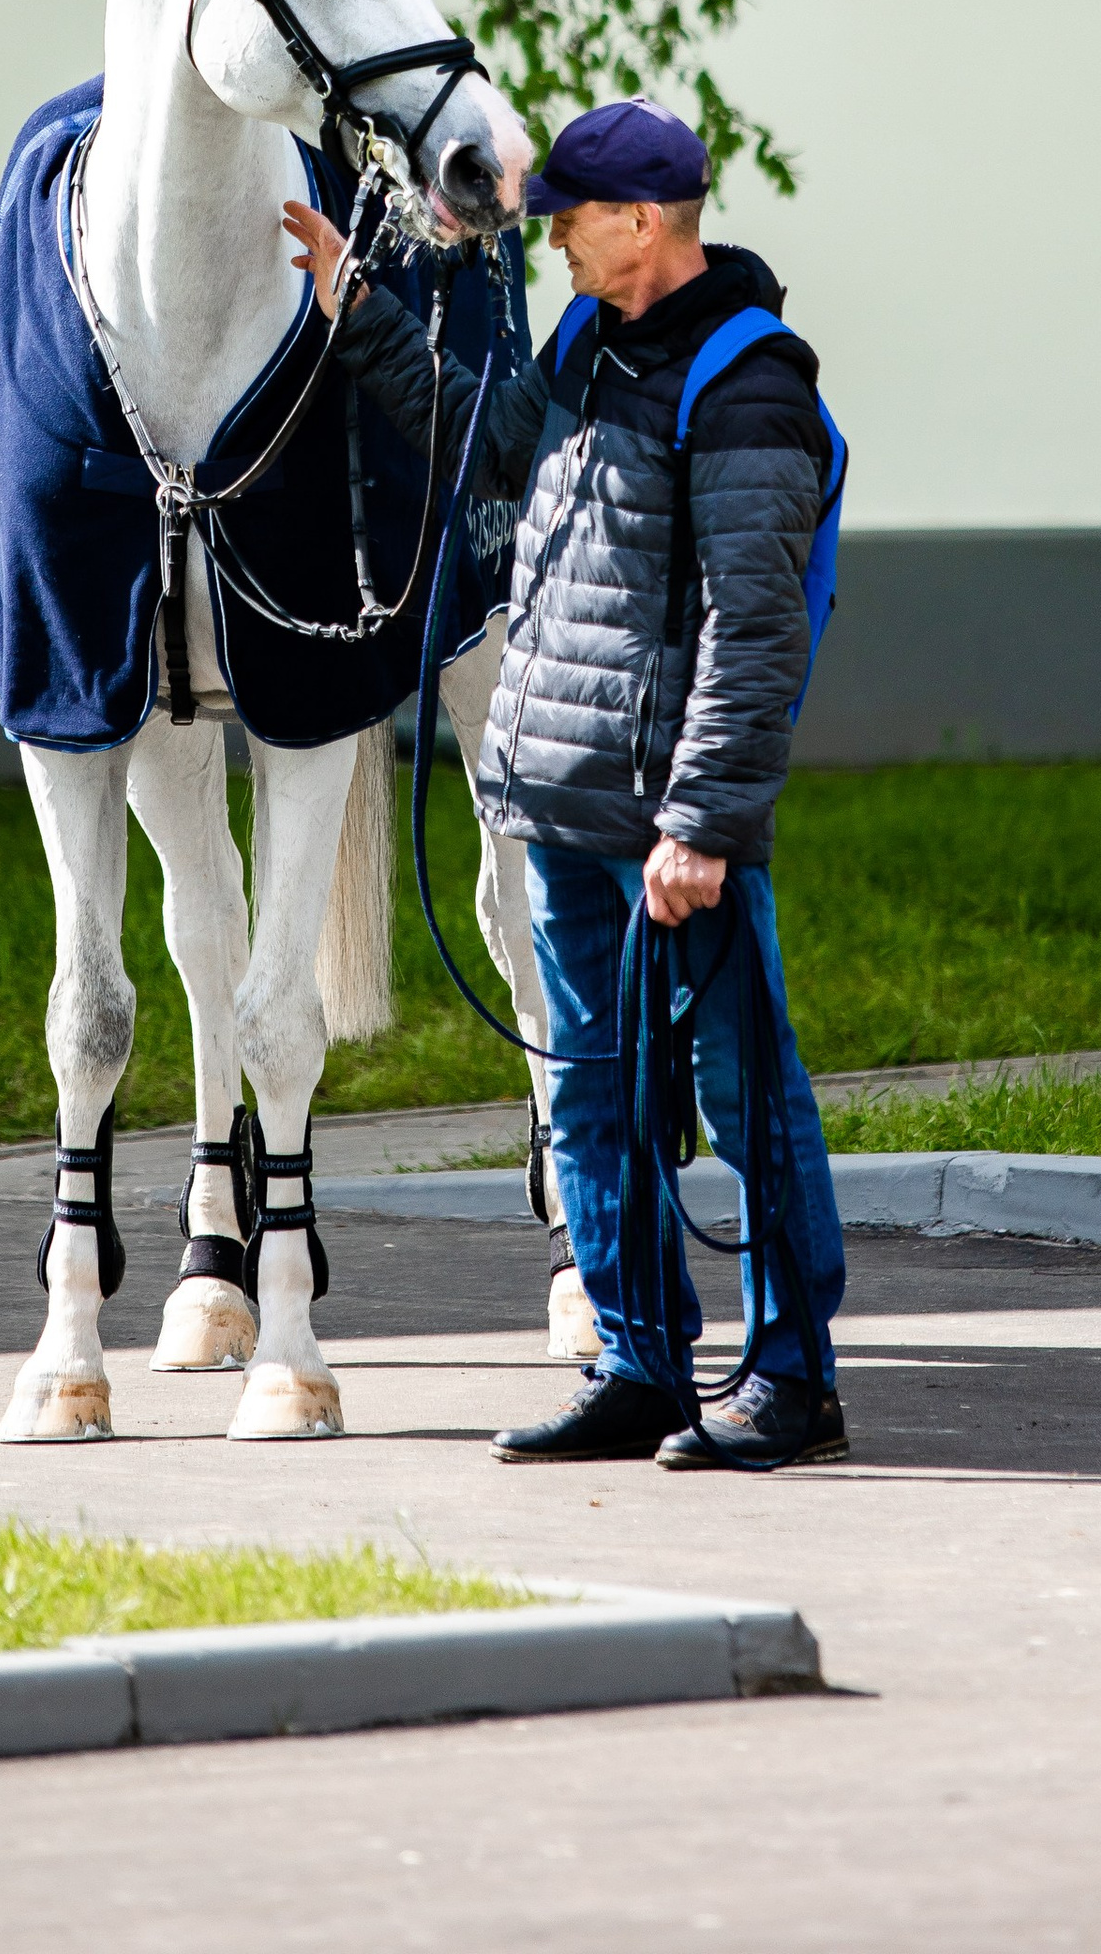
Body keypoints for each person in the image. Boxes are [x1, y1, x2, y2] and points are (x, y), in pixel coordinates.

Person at [282, 95, 847, 1471]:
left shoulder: (750, 382)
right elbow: (486, 440)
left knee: (744, 1091)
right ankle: (644, 1364)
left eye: (572, 225)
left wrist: (706, 825)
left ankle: (792, 1379)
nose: (557, 248)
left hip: (669, 830)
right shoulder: (591, 338)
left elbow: (754, 633)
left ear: (642, 223)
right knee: (592, 1093)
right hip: (561, 802)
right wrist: (352, 306)